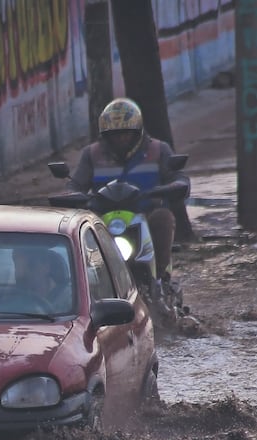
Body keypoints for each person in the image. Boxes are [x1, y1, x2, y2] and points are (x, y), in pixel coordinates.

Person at [66, 97, 191, 308]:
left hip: (145, 214)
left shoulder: (158, 150)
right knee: (80, 232)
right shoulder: (92, 154)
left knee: (163, 217)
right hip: (103, 219)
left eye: (125, 134)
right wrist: (72, 195)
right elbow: (75, 184)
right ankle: (84, 287)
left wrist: (176, 186)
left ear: (138, 132)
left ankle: (160, 279)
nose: (121, 139)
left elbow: (178, 177)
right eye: (115, 135)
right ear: (105, 135)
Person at [11, 247, 72, 312]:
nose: (22, 273)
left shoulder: (70, 300)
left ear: (46, 267)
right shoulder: (14, 299)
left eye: (31, 265)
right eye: (18, 266)